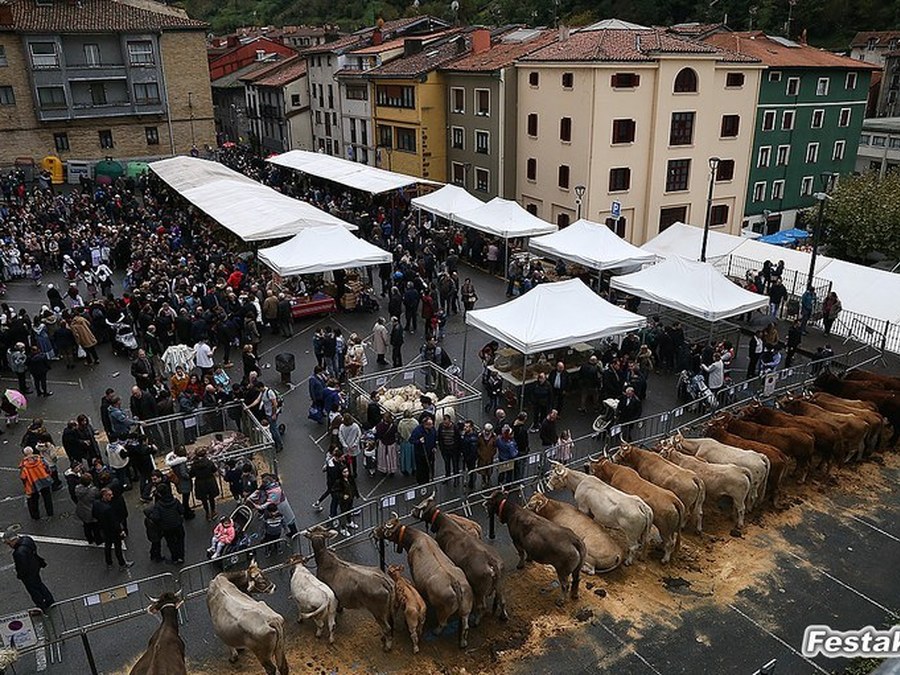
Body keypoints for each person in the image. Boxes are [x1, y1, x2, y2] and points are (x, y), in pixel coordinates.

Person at [2, 531, 54, 611]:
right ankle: (50, 601)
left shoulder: (18, 553)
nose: (9, 546)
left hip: (28, 574)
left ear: (13, 540)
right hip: (35, 567)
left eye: (9, 543)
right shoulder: (27, 539)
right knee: (39, 585)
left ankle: (41, 607)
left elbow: (22, 568)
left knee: (34, 591)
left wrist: (19, 575)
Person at [93, 487, 134, 570]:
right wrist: (121, 531)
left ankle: (109, 563)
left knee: (107, 546)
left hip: (104, 529)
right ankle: (122, 564)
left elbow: (94, 514)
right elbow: (114, 522)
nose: (112, 496)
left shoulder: (96, 503)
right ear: (104, 496)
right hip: (113, 531)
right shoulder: (108, 509)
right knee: (118, 547)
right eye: (109, 495)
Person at [145, 483, 185, 564]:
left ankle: (175, 558)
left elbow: (156, 517)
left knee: (171, 543)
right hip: (177, 524)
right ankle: (181, 557)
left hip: (167, 527)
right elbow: (182, 511)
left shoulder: (158, 505)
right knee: (180, 541)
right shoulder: (175, 501)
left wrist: (150, 515)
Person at [19, 446, 54, 520]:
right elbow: (47, 469)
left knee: (34, 500)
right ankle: (50, 512)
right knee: (47, 497)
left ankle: (35, 516)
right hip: (44, 480)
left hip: (33, 483)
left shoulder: (24, 465)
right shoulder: (40, 459)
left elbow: (23, 477)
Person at [165, 446, 194, 520]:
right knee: (185, 499)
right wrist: (190, 476)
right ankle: (187, 513)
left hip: (180, 482)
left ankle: (187, 511)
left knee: (185, 498)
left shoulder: (174, 462)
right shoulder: (182, 463)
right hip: (185, 483)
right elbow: (183, 473)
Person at [190, 448, 220, 521]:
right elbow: (215, 471)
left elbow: (191, 474)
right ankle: (213, 511)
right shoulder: (209, 462)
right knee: (211, 497)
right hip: (210, 481)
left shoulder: (194, 465)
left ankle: (207, 513)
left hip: (200, 482)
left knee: (204, 499)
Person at [409, 415, 437, 485]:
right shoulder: (418, 431)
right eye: (430, 425)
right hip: (421, 454)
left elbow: (434, 438)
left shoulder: (432, 429)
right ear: (425, 425)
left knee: (429, 468)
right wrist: (419, 441)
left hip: (430, 453)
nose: (432, 426)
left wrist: (434, 447)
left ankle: (428, 481)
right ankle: (421, 483)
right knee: (421, 470)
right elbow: (411, 440)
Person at [332, 465, 360, 536]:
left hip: (350, 498)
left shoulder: (350, 478)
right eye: (344, 472)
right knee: (343, 513)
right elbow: (335, 491)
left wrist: (356, 494)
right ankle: (343, 528)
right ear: (341, 473)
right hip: (343, 501)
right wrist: (342, 496)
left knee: (349, 511)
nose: (346, 473)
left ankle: (349, 522)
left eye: (347, 471)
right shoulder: (339, 481)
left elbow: (354, 486)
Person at [75, 473, 102, 544]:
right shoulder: (93, 490)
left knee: (86, 526)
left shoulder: (77, 489)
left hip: (82, 509)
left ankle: (89, 539)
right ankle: (98, 540)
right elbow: (98, 496)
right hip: (91, 510)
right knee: (95, 527)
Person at [436, 414, 461, 482]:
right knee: (447, 464)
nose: (445, 425)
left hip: (453, 449)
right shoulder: (441, 426)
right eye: (444, 423)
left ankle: (456, 479)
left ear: (450, 421)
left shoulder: (455, 427)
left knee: (455, 464)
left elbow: (458, 438)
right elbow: (439, 437)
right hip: (445, 449)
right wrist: (441, 448)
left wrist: (458, 449)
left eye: (446, 423)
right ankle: (448, 477)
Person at [337, 413, 362, 477]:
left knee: (347, 460)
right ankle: (355, 472)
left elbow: (340, 436)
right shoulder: (355, 426)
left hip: (346, 448)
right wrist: (355, 444)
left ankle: (349, 472)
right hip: (353, 448)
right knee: (354, 460)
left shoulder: (342, 426)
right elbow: (359, 435)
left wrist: (345, 445)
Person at [374, 411, 399, 477]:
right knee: (392, 457)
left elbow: (377, 434)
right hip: (391, 443)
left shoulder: (380, 426)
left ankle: (384, 469)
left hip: (383, 443)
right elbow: (396, 433)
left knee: (383, 457)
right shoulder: (393, 426)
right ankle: (392, 470)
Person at [476, 423, 497, 487]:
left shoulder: (493, 436)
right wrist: (479, 453)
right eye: (486, 430)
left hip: (489, 456)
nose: (487, 432)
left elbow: (495, 446)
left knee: (489, 470)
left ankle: (489, 479)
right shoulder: (480, 436)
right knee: (482, 470)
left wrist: (492, 453)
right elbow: (477, 445)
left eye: (489, 431)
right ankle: (483, 480)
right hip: (482, 456)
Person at [397, 410, 417, 476]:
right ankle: (414, 469)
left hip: (405, 442)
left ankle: (405, 470)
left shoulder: (401, 423)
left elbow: (399, 432)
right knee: (414, 456)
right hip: (413, 441)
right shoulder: (415, 422)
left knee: (405, 457)